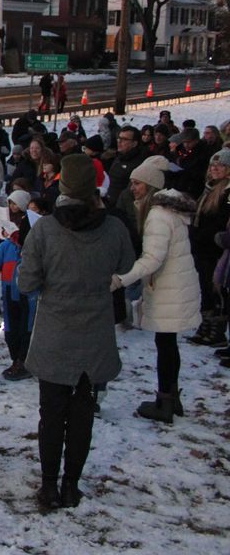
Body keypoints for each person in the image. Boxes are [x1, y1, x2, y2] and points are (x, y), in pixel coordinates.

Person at [19, 154, 135, 511]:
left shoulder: (45, 229)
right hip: (95, 335)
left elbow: (26, 283)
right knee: (83, 414)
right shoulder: (114, 227)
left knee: (51, 413)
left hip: (55, 334)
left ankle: (49, 486)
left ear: (63, 186)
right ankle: (72, 486)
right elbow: (127, 267)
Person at [112, 158, 202, 423]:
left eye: (138, 183)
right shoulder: (164, 212)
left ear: (150, 185)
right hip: (173, 286)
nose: (133, 188)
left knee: (165, 345)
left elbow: (152, 259)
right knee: (168, 345)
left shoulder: (158, 216)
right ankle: (171, 397)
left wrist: (120, 279)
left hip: (169, 289)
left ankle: (165, 401)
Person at [189, 150, 230, 346]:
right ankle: (205, 323)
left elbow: (223, 219)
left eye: (220, 166)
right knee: (204, 287)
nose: (214, 169)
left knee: (216, 290)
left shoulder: (227, 193)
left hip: (215, 248)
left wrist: (207, 236)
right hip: (201, 246)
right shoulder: (208, 189)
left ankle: (217, 328)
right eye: (213, 165)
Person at [0, 214, 32, 381]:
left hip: (31, 296)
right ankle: (17, 360)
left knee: (28, 328)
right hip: (9, 293)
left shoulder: (36, 246)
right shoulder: (6, 247)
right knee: (11, 330)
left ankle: (24, 361)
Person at [106, 125, 147, 210]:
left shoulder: (139, 164)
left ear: (134, 143)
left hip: (122, 208)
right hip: (110, 202)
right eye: (119, 138)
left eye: (124, 139)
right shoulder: (120, 156)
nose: (119, 141)